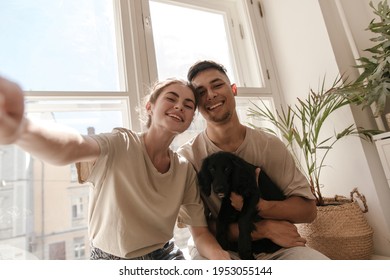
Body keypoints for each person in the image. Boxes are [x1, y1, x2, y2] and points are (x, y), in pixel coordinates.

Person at [0, 75, 230, 260]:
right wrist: (21, 128)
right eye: (171, 99)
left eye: (188, 105)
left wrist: (226, 262)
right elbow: (72, 146)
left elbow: (199, 233)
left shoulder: (183, 170)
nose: (180, 106)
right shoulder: (121, 143)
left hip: (165, 255)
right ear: (150, 107)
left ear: (191, 119)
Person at [177, 60, 329, 260]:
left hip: (278, 248)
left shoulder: (269, 145)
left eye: (217, 85)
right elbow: (200, 230)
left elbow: (308, 212)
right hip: (220, 248)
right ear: (197, 105)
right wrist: (263, 228)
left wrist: (260, 206)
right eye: (201, 92)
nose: (211, 95)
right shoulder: (188, 157)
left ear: (234, 89)